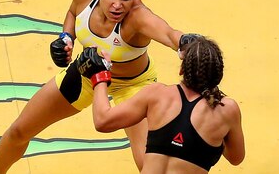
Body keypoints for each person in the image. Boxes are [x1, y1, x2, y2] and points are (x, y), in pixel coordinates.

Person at [0, 0, 185, 173]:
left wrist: (187, 42)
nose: (118, 6)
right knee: (18, 132)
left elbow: (171, 35)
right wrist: (66, 38)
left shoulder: (140, 18)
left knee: (149, 166)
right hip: (88, 72)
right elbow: (73, 12)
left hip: (133, 86)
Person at [81, 35, 245, 174]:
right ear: (218, 74)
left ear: (182, 69)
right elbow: (236, 158)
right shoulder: (226, 109)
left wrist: (98, 75)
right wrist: (210, 138)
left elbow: (102, 121)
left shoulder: (156, 95)